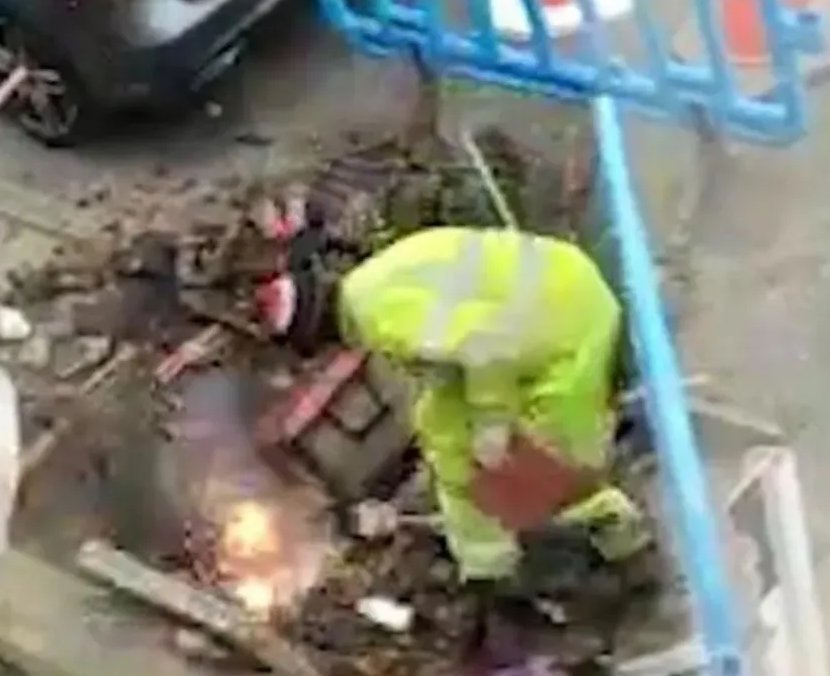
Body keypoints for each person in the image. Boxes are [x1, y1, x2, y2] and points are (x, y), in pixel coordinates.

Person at [259, 225, 653, 592]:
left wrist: (492, 425)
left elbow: (484, 346)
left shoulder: (379, 319)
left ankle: (619, 533)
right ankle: (486, 562)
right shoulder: (371, 280)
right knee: (438, 422)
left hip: (567, 331)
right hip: (557, 290)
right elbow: (457, 355)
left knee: (539, 461)